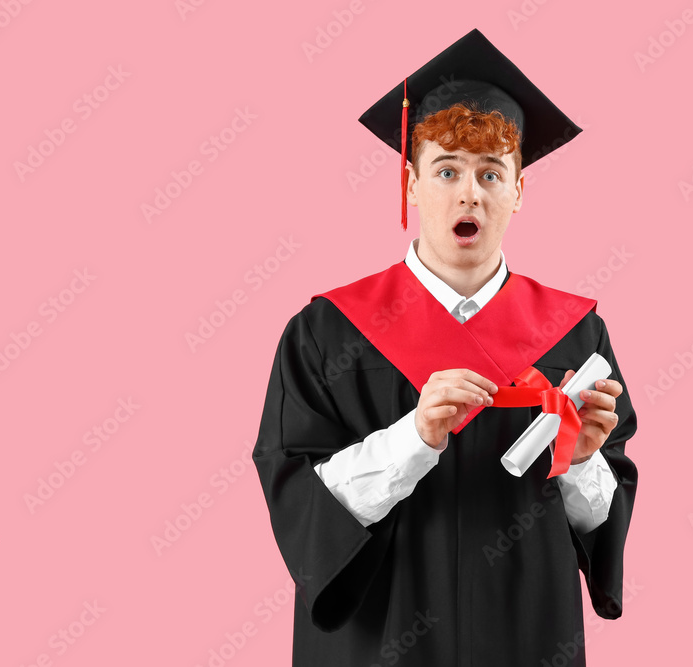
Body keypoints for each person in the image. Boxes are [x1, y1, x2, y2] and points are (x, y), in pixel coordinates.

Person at [251, 28, 639, 667]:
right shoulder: (326, 332)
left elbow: (599, 529)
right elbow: (300, 508)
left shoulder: (576, 332)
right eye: (447, 169)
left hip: (526, 637)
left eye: (492, 172)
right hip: (376, 642)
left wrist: (580, 458)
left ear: (518, 191)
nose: (470, 192)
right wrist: (414, 438)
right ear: (410, 183)